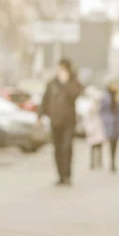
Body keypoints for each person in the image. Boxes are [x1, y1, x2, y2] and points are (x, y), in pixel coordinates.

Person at [39, 58, 83, 186]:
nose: (59, 72)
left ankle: (67, 175)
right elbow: (45, 100)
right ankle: (60, 175)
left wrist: (65, 83)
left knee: (67, 148)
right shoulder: (52, 83)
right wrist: (40, 115)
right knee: (57, 149)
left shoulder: (73, 83)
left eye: (62, 69)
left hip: (68, 122)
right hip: (55, 121)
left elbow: (74, 95)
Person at [100, 78, 119, 173]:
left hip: (117, 124)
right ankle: (111, 161)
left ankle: (114, 161)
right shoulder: (105, 96)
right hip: (109, 123)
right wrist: (105, 120)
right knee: (110, 143)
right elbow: (102, 110)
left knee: (116, 143)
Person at [84, 86, 106, 170]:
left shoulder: (99, 107)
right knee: (93, 146)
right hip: (93, 127)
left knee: (98, 145)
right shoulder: (90, 107)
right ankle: (94, 163)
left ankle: (98, 162)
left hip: (97, 127)